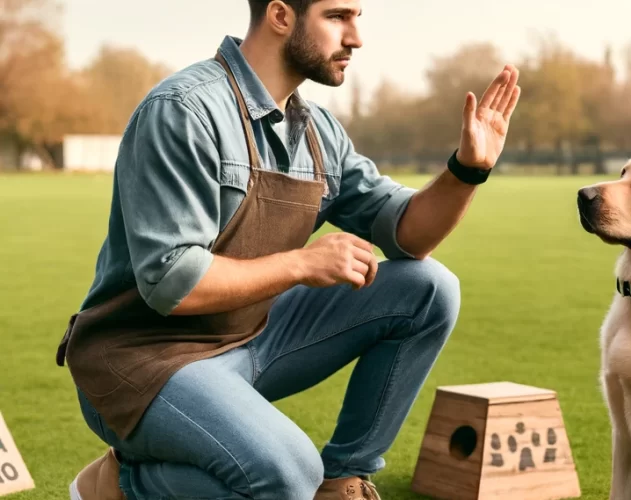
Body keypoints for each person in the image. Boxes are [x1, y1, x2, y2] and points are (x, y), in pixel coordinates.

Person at [56, 1, 521, 499]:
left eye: (357, 18)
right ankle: (124, 483)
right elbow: (173, 282)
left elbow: (409, 233)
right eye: (338, 16)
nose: (356, 37)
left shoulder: (318, 132)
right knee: (289, 473)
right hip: (142, 363)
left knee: (429, 288)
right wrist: (301, 263)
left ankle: (342, 477)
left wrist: (467, 170)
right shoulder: (182, 110)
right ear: (281, 16)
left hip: (247, 341)